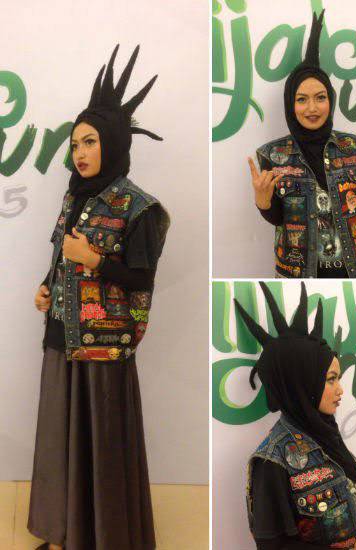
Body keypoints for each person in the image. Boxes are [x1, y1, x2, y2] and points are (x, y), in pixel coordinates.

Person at [29, 45, 169, 550]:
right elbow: (60, 256)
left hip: (105, 347)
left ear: (112, 143)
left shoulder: (140, 207)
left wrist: (93, 260)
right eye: (75, 144)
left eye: (89, 142)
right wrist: (47, 287)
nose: (80, 153)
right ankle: (64, 535)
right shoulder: (74, 196)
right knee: (60, 439)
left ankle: (103, 538)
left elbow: (141, 281)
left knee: (103, 445)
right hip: (61, 335)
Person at [248, 11, 356, 279]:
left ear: (330, 100)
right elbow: (277, 218)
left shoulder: (354, 147)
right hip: (298, 272)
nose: (312, 108)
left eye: (320, 97)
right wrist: (262, 200)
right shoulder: (271, 155)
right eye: (301, 99)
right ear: (290, 105)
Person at [234, 282, 356, 549]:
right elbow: (273, 547)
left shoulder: (325, 432)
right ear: (302, 383)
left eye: (338, 378)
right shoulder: (272, 462)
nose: (340, 390)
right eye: (330, 379)